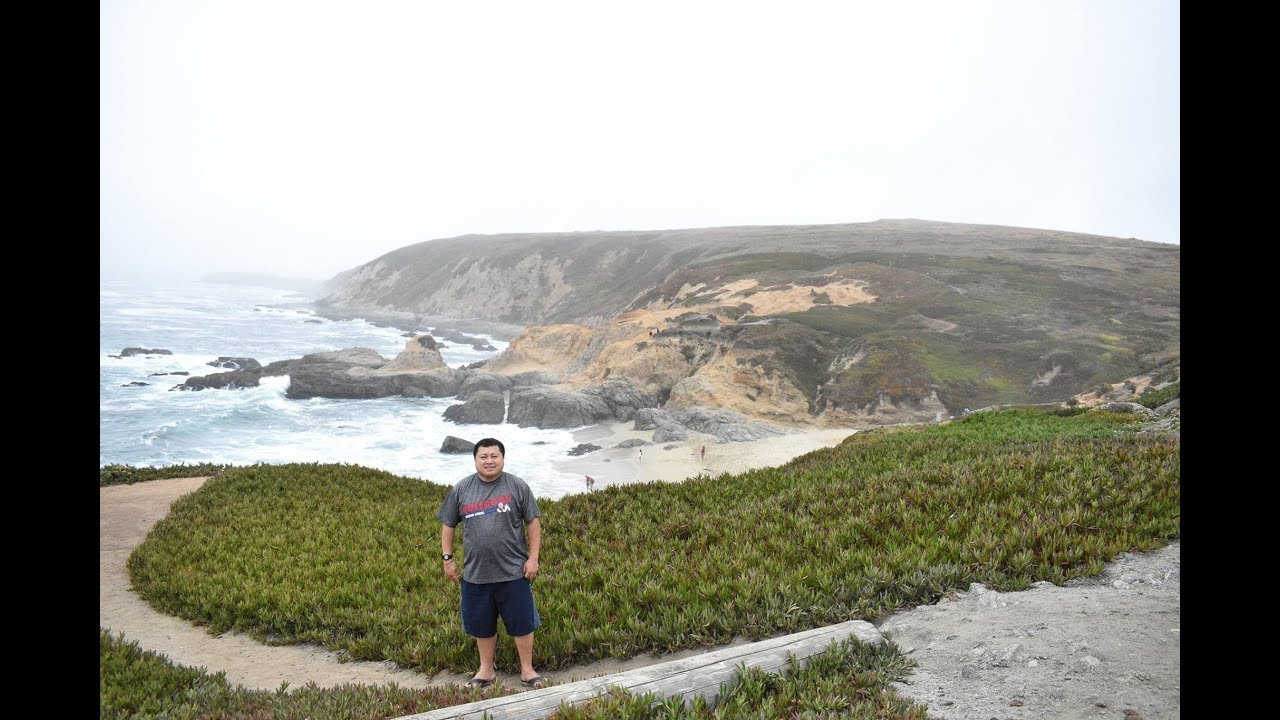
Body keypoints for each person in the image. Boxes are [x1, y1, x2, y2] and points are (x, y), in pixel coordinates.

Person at [438, 438, 547, 689]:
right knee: (482, 625)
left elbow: (533, 521)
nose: (489, 461)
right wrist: (448, 559)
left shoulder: (517, 486)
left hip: (513, 572)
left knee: (522, 623)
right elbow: (448, 524)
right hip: (475, 574)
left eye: (494, 456)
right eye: (483, 456)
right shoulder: (462, 489)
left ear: (503, 458)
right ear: (475, 459)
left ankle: (528, 670)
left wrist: (533, 558)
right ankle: (486, 671)